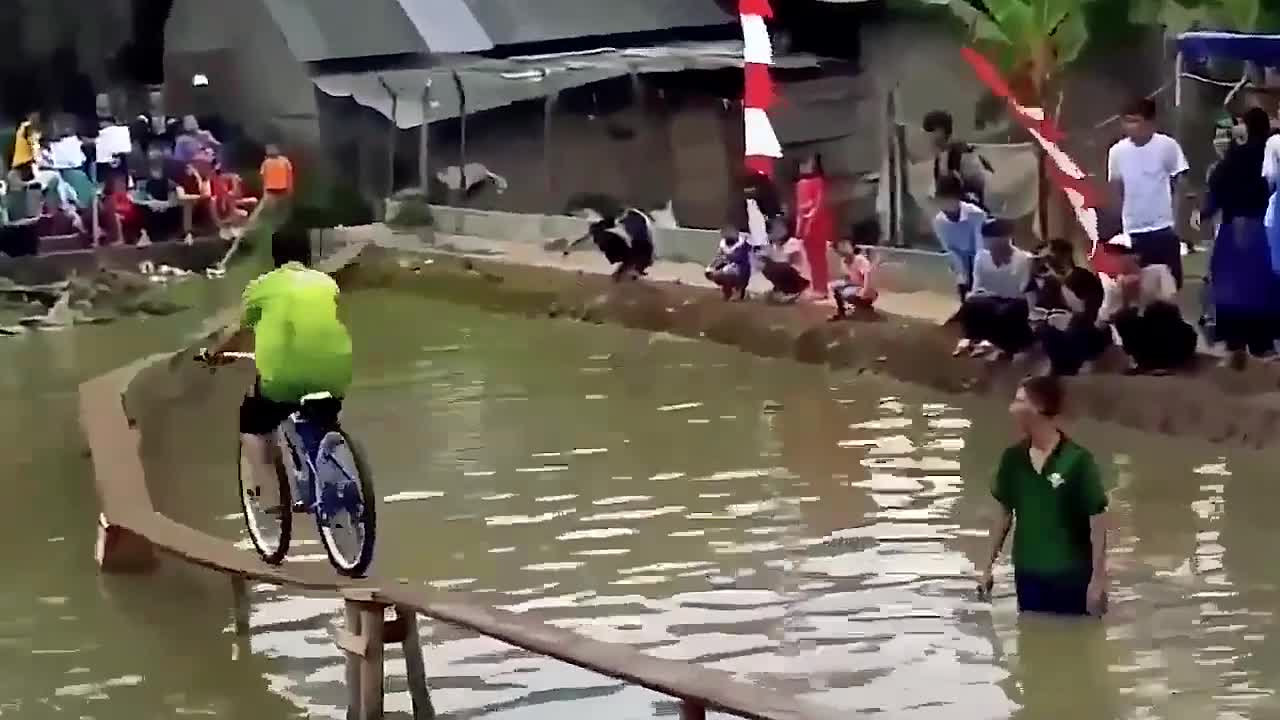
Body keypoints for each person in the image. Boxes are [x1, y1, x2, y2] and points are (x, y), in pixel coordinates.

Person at [200, 225, 353, 510]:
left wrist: (213, 354)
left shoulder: (261, 287)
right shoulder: (326, 283)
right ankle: (327, 478)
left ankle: (268, 495)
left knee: (252, 421)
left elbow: (237, 331)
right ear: (308, 254)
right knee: (320, 417)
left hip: (284, 377)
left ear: (275, 257)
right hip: (337, 371)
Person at [978, 376, 1110, 617]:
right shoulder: (1013, 459)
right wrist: (987, 568)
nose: (1011, 409)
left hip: (1073, 575)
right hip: (1028, 574)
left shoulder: (1078, 461)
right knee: (1031, 641)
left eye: (1019, 401)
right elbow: (1004, 515)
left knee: (1078, 644)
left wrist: (1098, 579)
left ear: (1038, 409)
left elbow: (1097, 522)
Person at [1205, 107, 1278, 368]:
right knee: (1259, 288)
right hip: (1260, 231)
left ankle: (1236, 342)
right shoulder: (1262, 155)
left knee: (1234, 289)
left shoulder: (1239, 158)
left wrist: (1205, 212)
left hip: (1236, 231)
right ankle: (1261, 344)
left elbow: (1218, 189)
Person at [1107, 97, 1191, 288]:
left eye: (1135, 121)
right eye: (1126, 121)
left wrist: (1178, 222)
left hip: (1163, 227)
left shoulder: (1167, 146)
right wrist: (1121, 224)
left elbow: (1180, 182)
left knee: (1169, 285)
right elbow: (1117, 189)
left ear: (1150, 122)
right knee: (1137, 285)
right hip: (1134, 230)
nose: (1130, 126)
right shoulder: (1117, 152)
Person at [1099, 235, 1197, 375]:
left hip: (1171, 333)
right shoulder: (1116, 284)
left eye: (1123, 254)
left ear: (1136, 256)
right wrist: (1127, 298)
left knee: (1157, 310)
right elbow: (1106, 315)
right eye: (1114, 255)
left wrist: (1142, 294)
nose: (1118, 259)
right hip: (1142, 335)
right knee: (1124, 316)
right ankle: (1143, 362)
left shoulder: (1159, 271)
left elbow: (1170, 302)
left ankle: (1162, 362)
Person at [953, 218, 1034, 360]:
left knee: (1005, 310)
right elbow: (978, 284)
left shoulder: (1023, 259)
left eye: (996, 239)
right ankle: (973, 338)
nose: (991, 243)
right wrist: (974, 294)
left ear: (1007, 238)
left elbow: (1022, 289)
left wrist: (994, 293)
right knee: (972, 302)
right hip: (990, 297)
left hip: (1014, 301)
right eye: (988, 239)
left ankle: (1004, 347)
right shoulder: (981, 257)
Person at [1033, 238, 1109, 376]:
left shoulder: (1084, 277)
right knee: (1044, 329)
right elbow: (1040, 308)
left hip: (1090, 330)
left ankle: (1072, 365)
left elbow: (1087, 312)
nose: (1047, 262)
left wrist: (1062, 283)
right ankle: (1060, 367)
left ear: (1065, 256)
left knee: (1075, 325)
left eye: (1049, 257)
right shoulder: (1049, 282)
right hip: (1060, 326)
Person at [933, 175, 988, 301]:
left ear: (958, 198)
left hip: (981, 262)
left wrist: (976, 285)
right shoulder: (939, 222)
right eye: (941, 201)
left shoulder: (976, 214)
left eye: (948, 200)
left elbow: (981, 250)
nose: (944, 206)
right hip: (960, 265)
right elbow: (950, 252)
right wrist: (962, 280)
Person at [923, 109, 991, 209]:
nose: (927, 137)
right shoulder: (942, 155)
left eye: (930, 132)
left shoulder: (964, 154)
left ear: (940, 131)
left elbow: (978, 188)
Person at [795, 154, 834, 299]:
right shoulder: (800, 184)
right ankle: (815, 286)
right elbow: (800, 209)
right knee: (811, 259)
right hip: (806, 226)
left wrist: (809, 217)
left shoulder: (818, 182)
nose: (804, 166)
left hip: (816, 225)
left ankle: (821, 289)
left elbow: (818, 204)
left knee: (818, 258)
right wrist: (799, 229)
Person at [828, 219, 880, 320]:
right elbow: (847, 278)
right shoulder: (844, 262)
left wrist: (865, 290)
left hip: (868, 291)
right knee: (834, 286)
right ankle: (842, 310)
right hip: (856, 287)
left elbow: (867, 276)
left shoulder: (860, 259)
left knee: (847, 292)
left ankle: (863, 306)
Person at [759, 215, 810, 302]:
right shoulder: (774, 245)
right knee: (766, 266)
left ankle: (792, 291)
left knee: (775, 268)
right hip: (791, 273)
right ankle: (783, 289)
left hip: (800, 277)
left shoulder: (793, 243)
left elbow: (790, 262)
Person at [135, 151, 181, 244]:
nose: (155, 163)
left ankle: (169, 237)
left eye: (157, 161)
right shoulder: (145, 183)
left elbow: (174, 200)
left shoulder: (169, 182)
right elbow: (139, 199)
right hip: (151, 211)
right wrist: (151, 203)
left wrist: (163, 204)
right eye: (152, 161)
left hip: (167, 211)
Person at [706, 224, 752, 300]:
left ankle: (739, 289)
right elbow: (719, 258)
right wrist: (712, 267)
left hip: (741, 271)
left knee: (729, 273)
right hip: (729, 268)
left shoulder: (743, 245)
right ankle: (727, 289)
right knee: (712, 273)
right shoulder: (723, 244)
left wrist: (726, 259)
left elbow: (739, 259)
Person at [10, 111, 42, 183]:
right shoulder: (28, 128)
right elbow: (35, 147)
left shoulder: (22, 129)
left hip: (19, 166)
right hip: (25, 164)